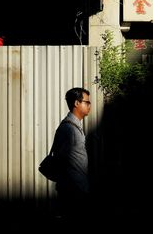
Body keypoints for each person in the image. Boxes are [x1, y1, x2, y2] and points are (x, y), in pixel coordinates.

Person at [52, 87, 91, 225]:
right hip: (73, 190)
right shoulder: (69, 129)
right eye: (87, 102)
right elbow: (61, 158)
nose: (89, 105)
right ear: (76, 103)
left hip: (77, 188)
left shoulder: (74, 126)